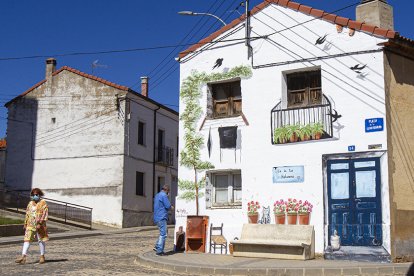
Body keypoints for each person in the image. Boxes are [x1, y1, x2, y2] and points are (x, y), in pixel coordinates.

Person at [15, 188, 49, 265]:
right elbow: (27, 213)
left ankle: (42, 256)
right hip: (30, 224)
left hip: (40, 224)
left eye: (36, 194)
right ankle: (23, 257)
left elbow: (45, 214)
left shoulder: (43, 203)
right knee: (27, 240)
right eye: (33, 195)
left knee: (41, 240)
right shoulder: (30, 203)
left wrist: (40, 223)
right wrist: (25, 223)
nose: (35, 196)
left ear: (40, 195)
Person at [153, 184, 173, 256]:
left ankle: (157, 246)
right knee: (163, 234)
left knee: (163, 232)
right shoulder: (164, 196)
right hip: (162, 216)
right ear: (167, 190)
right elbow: (168, 206)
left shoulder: (157, 195)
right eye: (168, 191)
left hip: (157, 216)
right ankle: (159, 251)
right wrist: (172, 207)